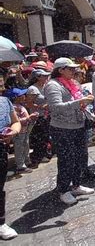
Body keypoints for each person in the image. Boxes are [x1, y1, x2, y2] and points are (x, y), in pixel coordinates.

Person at [44, 58, 95, 205]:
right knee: (66, 160)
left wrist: (93, 115)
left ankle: (76, 185)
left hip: (78, 126)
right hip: (62, 129)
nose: (74, 71)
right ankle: (63, 190)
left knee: (79, 157)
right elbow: (56, 107)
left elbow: (81, 105)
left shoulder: (72, 83)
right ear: (60, 70)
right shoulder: (53, 85)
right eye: (70, 68)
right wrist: (79, 102)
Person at [0, 83, 21, 240]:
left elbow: (15, 121)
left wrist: (13, 131)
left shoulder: (4, 101)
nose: (2, 83)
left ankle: (1, 222)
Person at [4, 88, 38, 174]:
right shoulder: (14, 107)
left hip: (25, 130)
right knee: (19, 148)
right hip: (19, 132)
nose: (24, 96)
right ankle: (20, 166)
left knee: (25, 146)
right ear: (16, 97)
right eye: (21, 95)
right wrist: (28, 118)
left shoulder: (20, 105)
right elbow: (16, 121)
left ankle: (27, 161)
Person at [26, 68, 51, 167]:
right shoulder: (33, 89)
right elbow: (29, 104)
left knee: (45, 135)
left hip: (46, 115)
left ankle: (44, 153)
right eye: (44, 76)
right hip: (37, 117)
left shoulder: (45, 86)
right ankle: (37, 156)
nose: (46, 77)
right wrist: (41, 107)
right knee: (39, 137)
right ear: (37, 77)